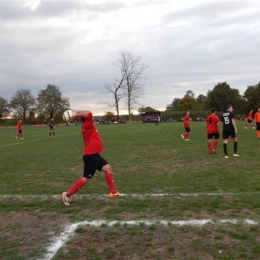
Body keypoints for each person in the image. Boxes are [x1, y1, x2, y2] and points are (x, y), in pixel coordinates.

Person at [61, 110, 120, 206]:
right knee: (85, 179)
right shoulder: (87, 125)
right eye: (90, 117)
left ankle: (113, 192)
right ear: (87, 119)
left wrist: (76, 114)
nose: (92, 117)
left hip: (95, 155)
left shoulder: (89, 125)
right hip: (91, 156)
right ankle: (67, 195)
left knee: (108, 169)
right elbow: (88, 113)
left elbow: (85, 113)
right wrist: (77, 115)